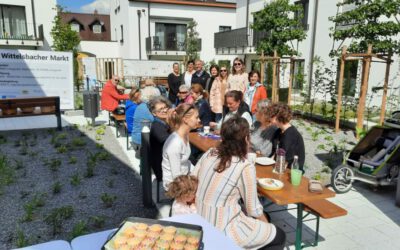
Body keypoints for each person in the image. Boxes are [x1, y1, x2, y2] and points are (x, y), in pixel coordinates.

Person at [193, 117, 286, 250]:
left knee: (262, 219)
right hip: (222, 228)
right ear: (246, 139)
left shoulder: (210, 153)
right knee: (279, 235)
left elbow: (193, 179)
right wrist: (267, 228)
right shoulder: (244, 166)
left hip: (200, 216)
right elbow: (253, 209)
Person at [162, 104, 200, 190]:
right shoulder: (175, 144)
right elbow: (177, 177)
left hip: (184, 177)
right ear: (185, 119)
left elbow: (185, 163)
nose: (199, 120)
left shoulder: (185, 135)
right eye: (196, 117)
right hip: (174, 186)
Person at [267, 103, 305, 172]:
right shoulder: (279, 131)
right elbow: (275, 153)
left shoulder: (291, 135)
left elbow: (286, 162)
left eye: (270, 116)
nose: (269, 118)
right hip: (279, 165)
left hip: (290, 171)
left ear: (276, 117)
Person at [149, 96, 172, 182]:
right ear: (154, 113)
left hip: (166, 162)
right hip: (162, 168)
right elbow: (172, 144)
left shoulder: (163, 123)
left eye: (166, 107)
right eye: (161, 109)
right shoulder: (157, 127)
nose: (165, 110)